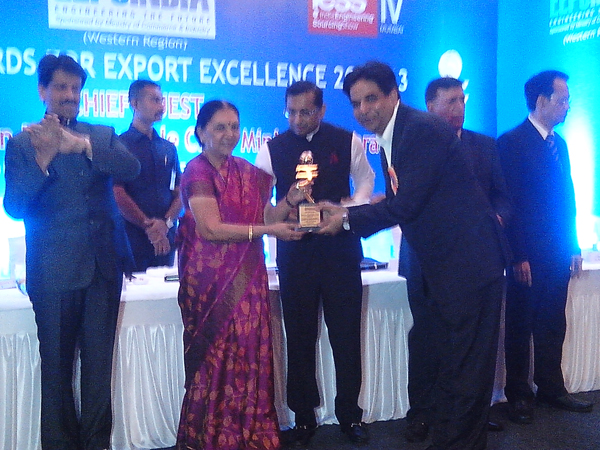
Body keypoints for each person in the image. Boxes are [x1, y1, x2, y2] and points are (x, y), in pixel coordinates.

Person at [318, 61, 510, 450]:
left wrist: (347, 219)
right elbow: (402, 198)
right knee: (452, 369)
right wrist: (346, 209)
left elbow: (405, 206)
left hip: (470, 267)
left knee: (467, 374)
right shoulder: (392, 136)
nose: (363, 110)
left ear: (394, 94)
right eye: (356, 103)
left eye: (371, 98)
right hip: (446, 268)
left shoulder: (421, 130)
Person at [3, 54, 140, 450]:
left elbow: (131, 168)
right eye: (60, 87)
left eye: (75, 88)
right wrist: (44, 158)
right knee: (57, 374)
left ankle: (97, 444)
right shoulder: (23, 143)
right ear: (42, 91)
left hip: (102, 270)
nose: (69, 95)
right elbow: (14, 206)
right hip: (53, 274)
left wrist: (80, 146)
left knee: (98, 372)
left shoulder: (99, 135)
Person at [175, 100, 305, 450]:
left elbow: (267, 217)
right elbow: (211, 229)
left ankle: (248, 433)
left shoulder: (248, 172)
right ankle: (211, 437)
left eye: (234, 126)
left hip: (249, 280)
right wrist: (268, 232)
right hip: (209, 284)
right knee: (216, 357)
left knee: (248, 353)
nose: (229, 134)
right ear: (200, 132)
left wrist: (290, 200)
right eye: (220, 127)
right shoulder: (197, 171)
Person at [255, 80, 375, 445]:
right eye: (291, 112)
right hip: (296, 252)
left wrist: (347, 208)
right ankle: (303, 417)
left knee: (346, 337)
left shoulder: (347, 140)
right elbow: (262, 207)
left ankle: (350, 415)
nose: (297, 119)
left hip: (340, 251)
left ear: (321, 110)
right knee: (300, 337)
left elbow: (366, 181)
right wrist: (285, 210)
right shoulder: (271, 149)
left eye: (305, 112)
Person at [400, 77, 511, 442]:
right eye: (450, 101)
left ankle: (467, 415)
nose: (459, 108)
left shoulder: (485, 145)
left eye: (462, 100)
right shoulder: (411, 145)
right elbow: (405, 203)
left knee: (471, 347)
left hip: (475, 263)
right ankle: (422, 412)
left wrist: (496, 218)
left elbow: (502, 197)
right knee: (428, 339)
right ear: (429, 107)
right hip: (426, 261)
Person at [497, 70, 593, 425]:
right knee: (520, 325)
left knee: (553, 322)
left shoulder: (560, 144)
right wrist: (517, 255)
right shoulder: (511, 143)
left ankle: (551, 387)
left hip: (557, 252)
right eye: (562, 100)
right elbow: (509, 204)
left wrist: (574, 245)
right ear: (541, 101)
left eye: (568, 100)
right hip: (527, 255)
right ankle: (519, 394)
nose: (567, 106)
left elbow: (568, 199)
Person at [113, 80, 182, 273]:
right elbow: (117, 193)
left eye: (161, 100)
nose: (161, 106)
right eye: (154, 100)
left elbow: (179, 192)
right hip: (132, 239)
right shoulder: (119, 145)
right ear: (135, 103)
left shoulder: (168, 148)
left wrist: (165, 225)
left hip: (166, 239)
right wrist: (149, 227)